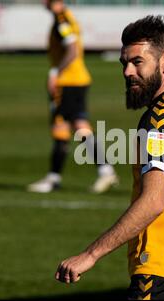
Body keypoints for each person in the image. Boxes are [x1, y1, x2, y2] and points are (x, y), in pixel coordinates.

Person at [55, 15, 164, 300]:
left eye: (137, 62)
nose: (127, 72)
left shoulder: (160, 117)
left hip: (159, 277)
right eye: (124, 63)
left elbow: (153, 201)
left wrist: (90, 255)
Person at [27, 0, 118, 194]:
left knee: (61, 127)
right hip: (79, 80)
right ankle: (104, 170)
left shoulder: (62, 21)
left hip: (68, 82)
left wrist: (55, 72)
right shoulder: (66, 17)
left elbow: (73, 50)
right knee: (80, 126)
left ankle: (53, 178)